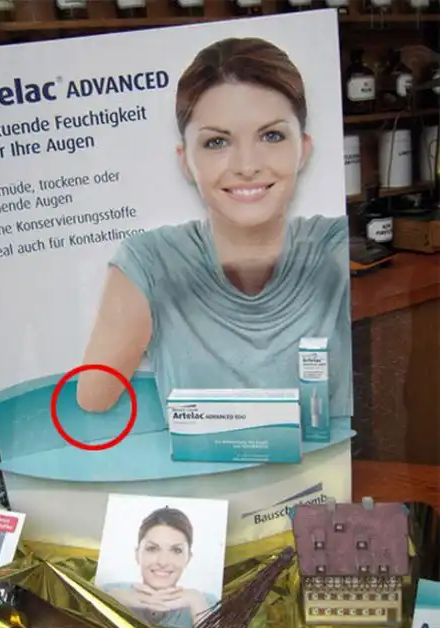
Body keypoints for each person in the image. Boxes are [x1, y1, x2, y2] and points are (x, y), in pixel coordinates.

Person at [77, 37, 352, 420]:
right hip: (202, 463)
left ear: (303, 149)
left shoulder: (338, 245)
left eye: (271, 136)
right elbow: (94, 398)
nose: (247, 165)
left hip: (330, 461)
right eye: (217, 142)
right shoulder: (151, 260)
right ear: (185, 161)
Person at [100, 507, 217, 628]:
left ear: (188, 558)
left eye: (176, 550)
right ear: (137, 554)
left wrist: (197, 604)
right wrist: (110, 603)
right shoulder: (109, 592)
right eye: (152, 548)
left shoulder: (209, 603)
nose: (163, 562)